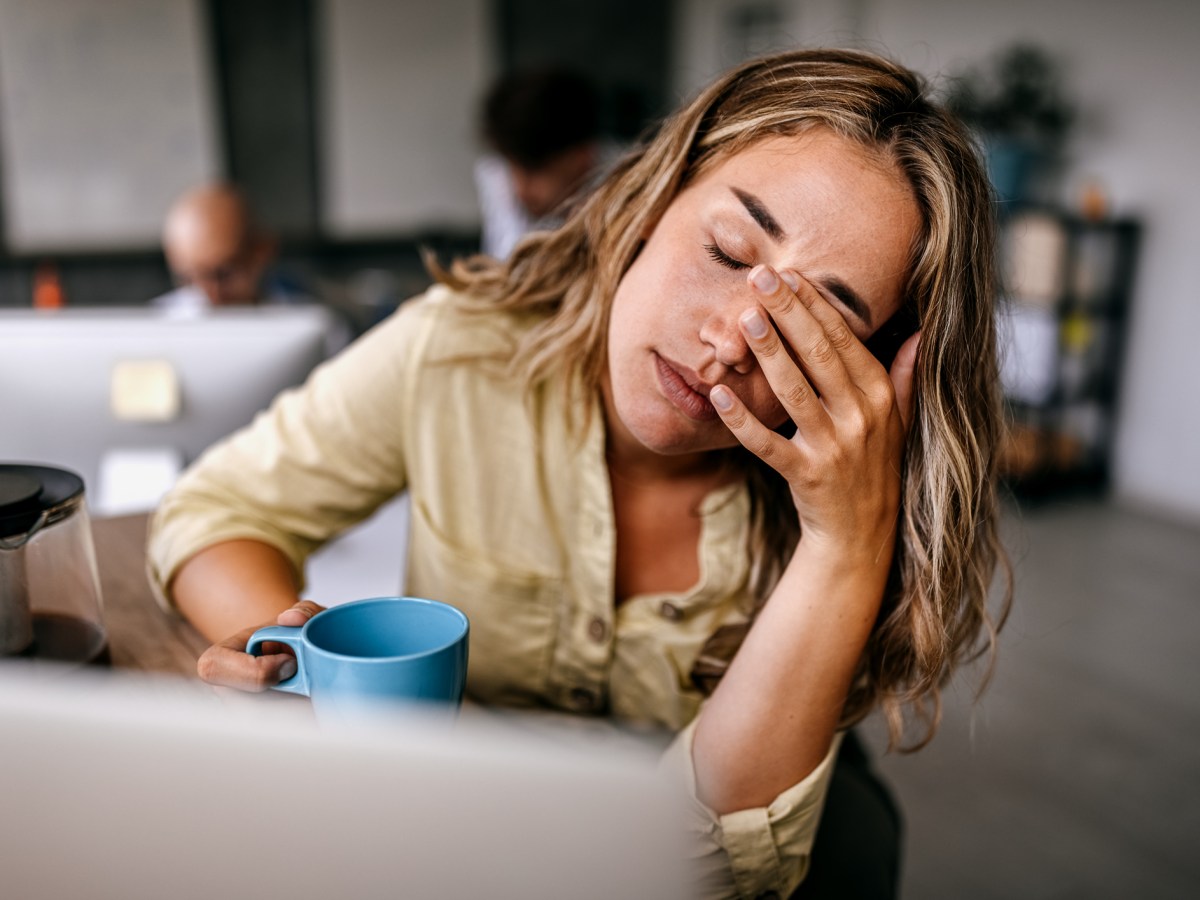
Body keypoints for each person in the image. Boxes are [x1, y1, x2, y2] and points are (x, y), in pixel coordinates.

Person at [148, 48, 1010, 899]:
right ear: (650, 202)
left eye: (813, 325)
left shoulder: (849, 504)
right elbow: (214, 510)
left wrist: (844, 543)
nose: (727, 342)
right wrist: (311, 678)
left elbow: (715, 870)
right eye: (727, 249)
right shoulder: (461, 350)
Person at [474, 66, 608, 259]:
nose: (521, 188)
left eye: (534, 171)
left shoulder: (628, 180)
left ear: (582, 156)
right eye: (513, 167)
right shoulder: (497, 173)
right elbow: (506, 265)